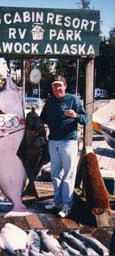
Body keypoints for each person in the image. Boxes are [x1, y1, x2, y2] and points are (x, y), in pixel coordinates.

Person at [40, 75, 89, 218]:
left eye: (60, 85)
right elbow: (42, 119)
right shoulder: (49, 102)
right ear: (52, 88)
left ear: (65, 86)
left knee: (68, 174)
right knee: (55, 174)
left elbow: (85, 119)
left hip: (69, 141)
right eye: (55, 86)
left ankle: (67, 204)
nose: (57, 88)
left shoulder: (73, 99)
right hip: (53, 141)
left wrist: (75, 115)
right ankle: (57, 201)